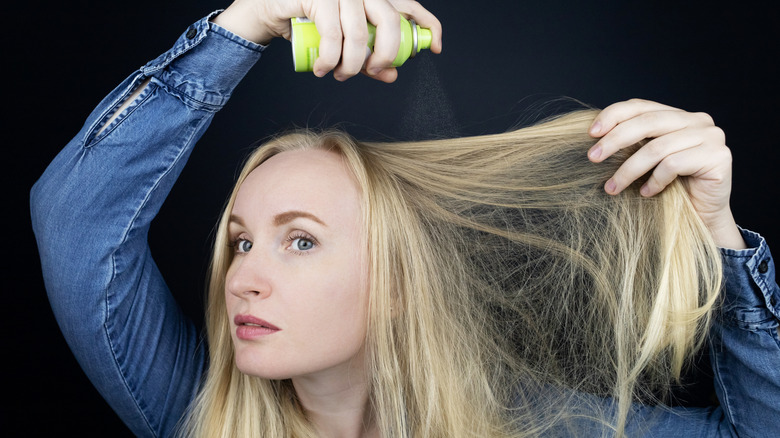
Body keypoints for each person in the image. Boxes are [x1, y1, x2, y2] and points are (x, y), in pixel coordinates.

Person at [30, 0, 779, 437]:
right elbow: (75, 221)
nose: (243, 278)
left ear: (397, 282)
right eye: (241, 241)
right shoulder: (200, 414)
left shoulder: (531, 426)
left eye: (300, 240)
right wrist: (248, 19)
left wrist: (715, 233)